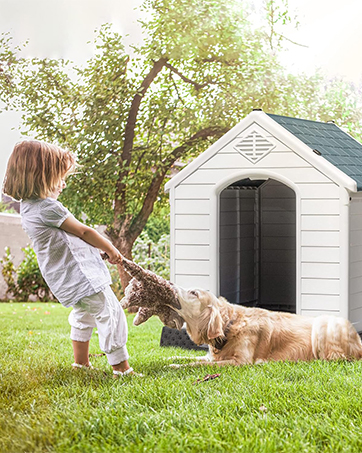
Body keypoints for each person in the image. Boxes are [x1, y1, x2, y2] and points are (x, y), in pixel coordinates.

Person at [3, 139, 138, 377]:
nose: (63, 184)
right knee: (111, 312)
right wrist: (113, 249)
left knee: (84, 314)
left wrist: (96, 251)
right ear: (42, 176)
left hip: (68, 278)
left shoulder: (29, 208)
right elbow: (84, 231)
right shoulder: (48, 208)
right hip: (82, 276)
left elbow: (66, 242)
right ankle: (121, 369)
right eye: (60, 177)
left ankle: (81, 363)